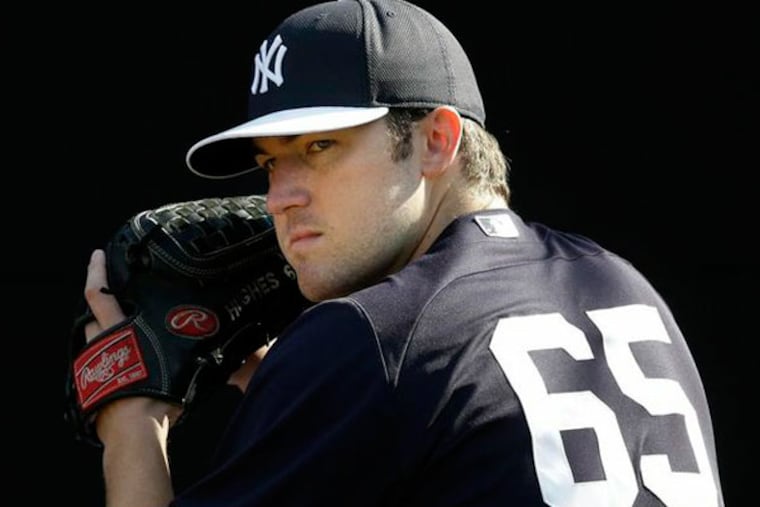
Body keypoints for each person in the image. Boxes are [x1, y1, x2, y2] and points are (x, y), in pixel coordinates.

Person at [81, 0, 725, 505]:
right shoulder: (618, 282)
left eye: (319, 148)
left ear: (436, 142)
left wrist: (132, 425)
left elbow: (398, 358)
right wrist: (297, 393)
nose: (279, 197)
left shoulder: (365, 337)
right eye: (270, 163)